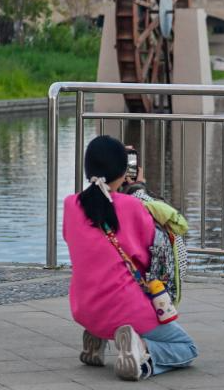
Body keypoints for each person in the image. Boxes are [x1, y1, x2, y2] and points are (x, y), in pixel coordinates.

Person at [63, 135, 197, 381]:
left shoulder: (71, 205)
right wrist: (138, 189)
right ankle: (141, 355)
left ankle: (96, 336)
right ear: (125, 171)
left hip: (83, 307)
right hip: (125, 311)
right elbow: (151, 258)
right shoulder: (133, 207)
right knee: (186, 349)